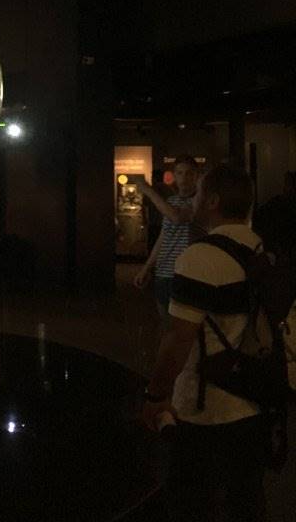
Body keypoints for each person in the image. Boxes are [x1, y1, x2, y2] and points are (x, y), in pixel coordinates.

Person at [142, 165, 267, 522]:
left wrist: (156, 395)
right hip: (252, 398)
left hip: (206, 407)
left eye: (198, 193)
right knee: (246, 500)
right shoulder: (259, 249)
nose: (193, 199)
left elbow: (179, 338)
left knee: (192, 501)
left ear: (212, 201)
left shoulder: (200, 257)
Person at [134, 156, 204, 322]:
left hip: (186, 272)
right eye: (180, 173)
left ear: (196, 176)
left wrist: (147, 190)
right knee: (166, 323)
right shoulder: (172, 200)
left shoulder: (200, 202)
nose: (184, 178)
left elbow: (176, 217)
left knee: (183, 325)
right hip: (164, 272)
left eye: (189, 173)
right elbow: (164, 237)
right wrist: (147, 268)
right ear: (174, 176)